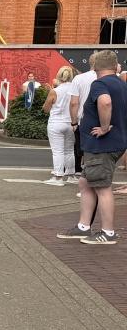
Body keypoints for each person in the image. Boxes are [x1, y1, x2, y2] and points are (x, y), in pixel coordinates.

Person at [57, 50, 127, 244]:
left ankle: (108, 232)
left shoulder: (100, 84)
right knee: (86, 182)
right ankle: (83, 226)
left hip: (101, 144)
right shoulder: (121, 83)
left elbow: (105, 103)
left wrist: (104, 128)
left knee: (102, 187)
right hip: (114, 142)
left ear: (95, 66)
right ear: (114, 66)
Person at [44, 66, 78, 185]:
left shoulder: (55, 91)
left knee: (58, 151)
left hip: (56, 123)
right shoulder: (75, 90)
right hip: (70, 123)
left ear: (59, 76)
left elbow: (46, 109)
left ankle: (58, 177)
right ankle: (71, 175)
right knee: (69, 151)